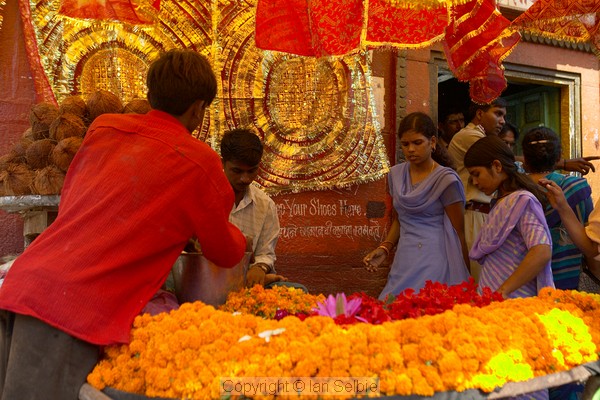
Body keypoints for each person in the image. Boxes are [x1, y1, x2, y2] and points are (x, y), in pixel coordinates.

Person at [0, 49, 247, 399]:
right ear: (197, 109)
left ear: (151, 94)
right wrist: (240, 236)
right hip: (68, 309)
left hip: (23, 284)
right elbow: (223, 251)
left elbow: (73, 198)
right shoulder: (200, 162)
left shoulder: (104, 128)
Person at [363, 112, 470, 300]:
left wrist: (464, 273)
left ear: (433, 142)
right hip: (405, 257)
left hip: (436, 257)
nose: (411, 149)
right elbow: (401, 218)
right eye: (405, 144)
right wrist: (385, 248)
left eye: (417, 143)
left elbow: (458, 231)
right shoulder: (395, 175)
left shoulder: (446, 180)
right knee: (393, 308)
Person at [465, 135, 555, 300]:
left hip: (516, 303)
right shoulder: (501, 202)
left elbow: (541, 251)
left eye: (477, 174)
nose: (475, 182)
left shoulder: (521, 201)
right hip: (497, 303)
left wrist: (502, 291)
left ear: (497, 166)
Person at [219, 128, 293, 289]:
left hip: (247, 280)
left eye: (251, 171)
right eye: (237, 171)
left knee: (295, 290)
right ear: (222, 163)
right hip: (208, 278)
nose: (245, 178)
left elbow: (265, 254)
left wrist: (260, 268)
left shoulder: (265, 205)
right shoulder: (203, 196)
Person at [522, 126, 593, 290]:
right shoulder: (576, 187)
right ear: (559, 156)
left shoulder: (514, 188)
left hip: (525, 280)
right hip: (567, 279)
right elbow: (590, 234)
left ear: (525, 158)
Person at [448, 99, 508, 283]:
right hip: (474, 214)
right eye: (498, 114)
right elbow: (506, 161)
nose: (503, 121)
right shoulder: (469, 136)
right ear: (480, 114)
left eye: (504, 116)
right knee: (482, 279)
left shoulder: (481, 137)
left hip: (486, 213)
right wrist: (560, 163)